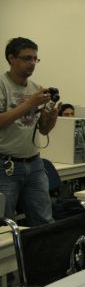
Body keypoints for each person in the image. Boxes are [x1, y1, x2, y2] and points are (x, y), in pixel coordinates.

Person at [0, 37, 57, 226]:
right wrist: (30, 103)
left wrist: (52, 116)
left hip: (34, 163)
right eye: (27, 58)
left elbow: (43, 130)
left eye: (35, 59)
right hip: (5, 165)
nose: (32, 63)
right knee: (5, 224)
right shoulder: (2, 84)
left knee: (44, 220)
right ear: (11, 58)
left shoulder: (35, 89)